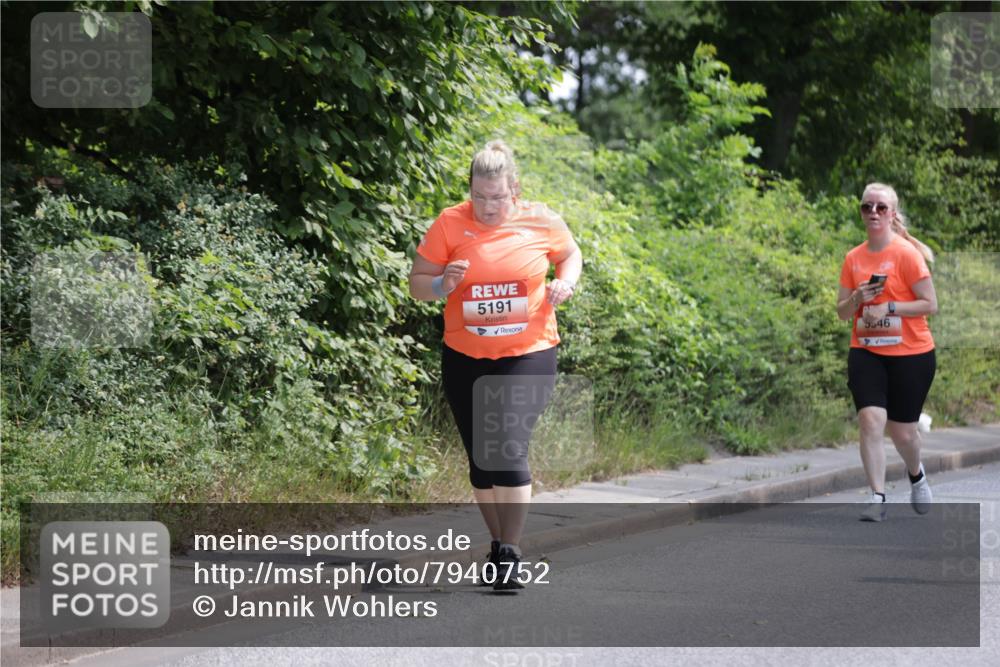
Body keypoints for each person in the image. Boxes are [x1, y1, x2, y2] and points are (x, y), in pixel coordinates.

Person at [409, 140, 583, 589]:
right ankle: (499, 544)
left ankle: (511, 551)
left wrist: (565, 283)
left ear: (515, 190)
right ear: (470, 190)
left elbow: (570, 254)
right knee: (482, 464)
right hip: (465, 356)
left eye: (498, 197)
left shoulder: (540, 219)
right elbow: (417, 285)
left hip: (529, 353)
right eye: (479, 196)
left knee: (506, 444)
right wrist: (442, 284)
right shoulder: (449, 222)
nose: (487, 206)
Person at [836, 182, 938, 522]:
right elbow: (841, 312)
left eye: (881, 207)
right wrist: (857, 299)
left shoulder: (907, 255)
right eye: (867, 207)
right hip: (866, 350)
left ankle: (916, 474)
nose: (874, 213)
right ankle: (877, 496)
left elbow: (930, 304)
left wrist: (889, 308)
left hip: (911, 353)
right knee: (870, 419)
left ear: (892, 214)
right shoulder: (854, 258)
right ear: (861, 213)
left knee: (902, 431)